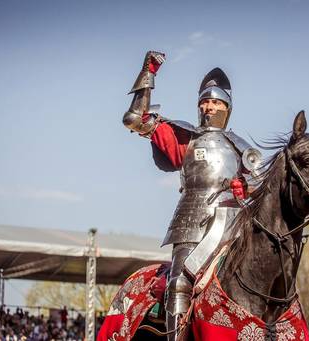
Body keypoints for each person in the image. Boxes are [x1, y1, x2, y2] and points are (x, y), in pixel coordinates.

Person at [122, 51, 261, 340]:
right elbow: (136, 119)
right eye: (204, 100)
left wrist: (244, 189)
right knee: (179, 285)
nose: (209, 106)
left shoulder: (242, 148)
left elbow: (261, 187)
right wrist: (149, 73)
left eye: (215, 100)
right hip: (191, 225)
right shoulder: (185, 136)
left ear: (227, 106)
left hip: (235, 229)